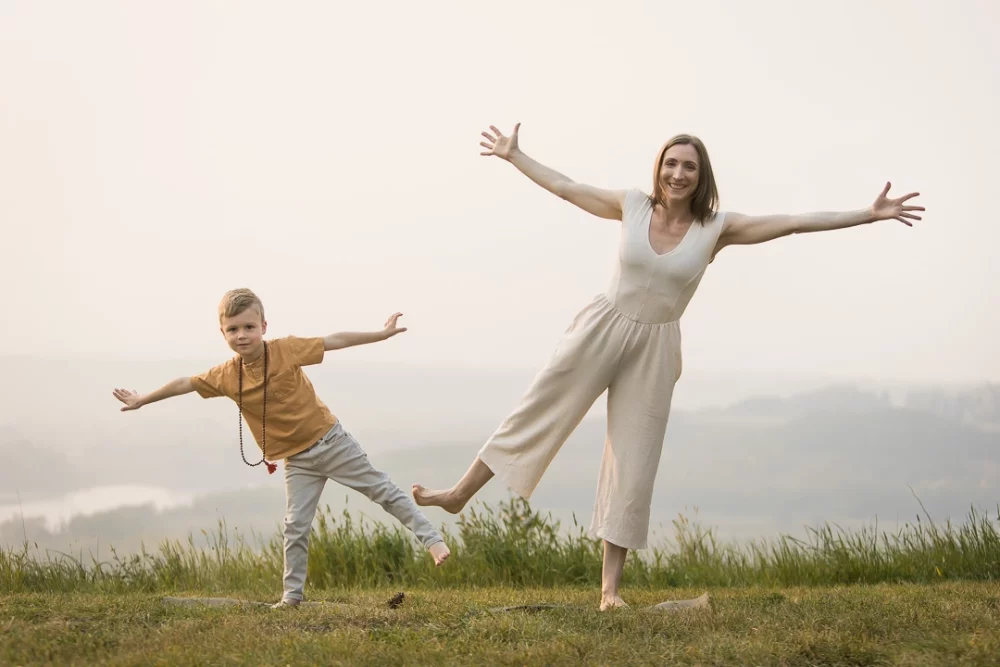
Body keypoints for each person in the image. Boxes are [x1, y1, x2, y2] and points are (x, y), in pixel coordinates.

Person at [413, 123, 923, 611]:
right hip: (601, 326)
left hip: (656, 348)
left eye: (690, 168)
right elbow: (568, 188)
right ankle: (458, 494)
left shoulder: (716, 228)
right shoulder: (631, 204)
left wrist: (866, 213)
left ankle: (609, 591)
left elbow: (792, 223)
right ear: (659, 167)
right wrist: (516, 155)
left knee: (634, 462)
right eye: (672, 164)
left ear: (703, 178)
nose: (679, 174)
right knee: (538, 408)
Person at [112, 288, 451, 608]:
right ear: (223, 333)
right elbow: (185, 383)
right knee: (295, 526)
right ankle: (292, 597)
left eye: (248, 327)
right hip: (296, 461)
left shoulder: (285, 349)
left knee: (384, 491)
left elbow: (333, 341)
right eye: (233, 329)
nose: (241, 335)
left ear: (263, 326)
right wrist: (144, 399)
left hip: (331, 442)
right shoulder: (226, 374)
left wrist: (380, 334)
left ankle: (432, 541)